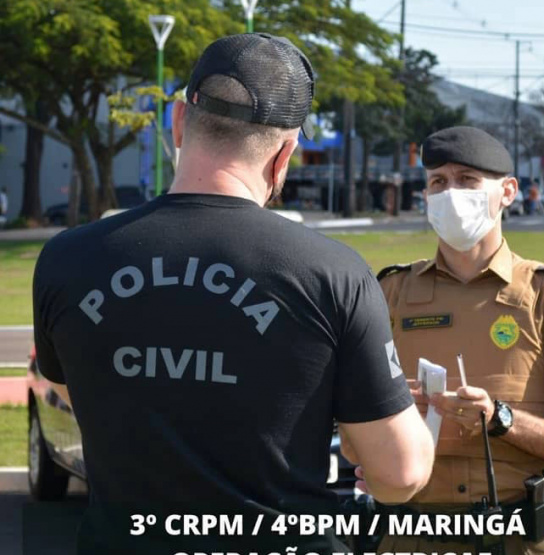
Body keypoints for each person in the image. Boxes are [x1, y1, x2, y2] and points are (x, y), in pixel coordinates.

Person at [32, 33, 433, 555]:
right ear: (284, 152)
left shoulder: (67, 258)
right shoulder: (333, 274)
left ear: (179, 122)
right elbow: (399, 475)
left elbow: (65, 382)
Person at [374, 126, 544, 555]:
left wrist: (500, 419)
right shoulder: (391, 292)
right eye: (438, 182)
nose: (451, 193)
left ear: (508, 192)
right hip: (409, 539)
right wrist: (388, 418)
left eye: (467, 180)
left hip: (518, 541)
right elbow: (353, 438)